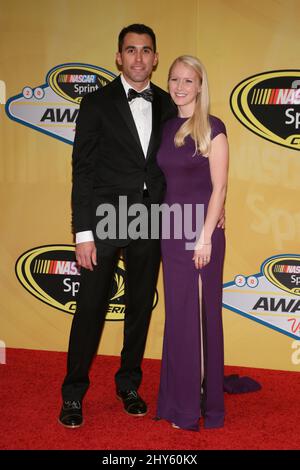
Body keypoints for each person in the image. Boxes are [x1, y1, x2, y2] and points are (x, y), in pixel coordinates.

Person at [58, 24, 177, 428]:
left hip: (149, 218)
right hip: (105, 218)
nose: (139, 58)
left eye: (146, 51)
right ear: (118, 57)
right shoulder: (96, 103)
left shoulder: (168, 103)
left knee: (139, 307)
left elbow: (179, 166)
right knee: (90, 308)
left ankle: (129, 385)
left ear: (156, 58)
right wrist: (84, 232)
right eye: (131, 50)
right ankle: (73, 393)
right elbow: (83, 170)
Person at [156, 55, 229, 431]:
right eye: (174, 79)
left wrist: (205, 237)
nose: (181, 86)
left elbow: (220, 187)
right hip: (171, 230)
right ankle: (179, 399)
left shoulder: (213, 128)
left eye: (188, 80)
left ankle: (199, 406)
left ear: (200, 85)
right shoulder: (167, 127)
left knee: (200, 319)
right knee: (179, 319)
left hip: (200, 236)